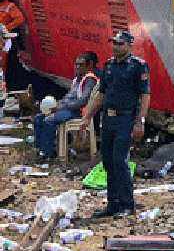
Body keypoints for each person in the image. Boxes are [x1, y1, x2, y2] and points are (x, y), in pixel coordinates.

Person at [81, 31, 150, 219]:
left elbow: (144, 95)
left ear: (129, 45)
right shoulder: (109, 66)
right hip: (108, 119)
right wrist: (87, 116)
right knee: (108, 162)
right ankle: (113, 203)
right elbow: (101, 94)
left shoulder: (138, 66)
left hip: (125, 119)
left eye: (120, 44)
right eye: (114, 43)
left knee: (120, 161)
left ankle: (128, 204)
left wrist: (140, 121)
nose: (115, 47)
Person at [33, 52, 99, 158]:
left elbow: (83, 101)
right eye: (76, 64)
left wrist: (61, 107)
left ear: (89, 66)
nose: (77, 67)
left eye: (80, 65)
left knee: (49, 120)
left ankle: (47, 153)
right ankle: (42, 148)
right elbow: (68, 98)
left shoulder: (89, 80)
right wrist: (57, 104)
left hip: (76, 112)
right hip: (66, 109)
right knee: (38, 118)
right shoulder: (77, 79)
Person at [0, 0, 24, 90]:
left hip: (5, 40)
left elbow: (19, 19)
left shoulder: (10, 6)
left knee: (4, 65)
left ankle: (5, 87)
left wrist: (6, 28)